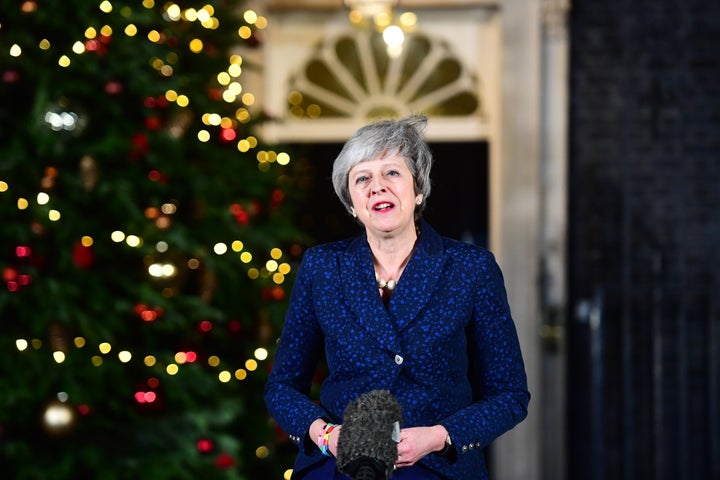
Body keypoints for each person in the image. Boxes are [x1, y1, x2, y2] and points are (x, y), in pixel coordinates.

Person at [264, 114, 529, 479]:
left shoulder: (471, 268)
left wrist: (440, 437)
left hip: (438, 466)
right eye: (362, 178)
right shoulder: (322, 267)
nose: (377, 187)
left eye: (392, 173)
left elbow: (510, 396)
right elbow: (282, 387)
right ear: (353, 204)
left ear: (418, 190)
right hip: (340, 466)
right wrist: (326, 435)